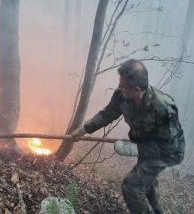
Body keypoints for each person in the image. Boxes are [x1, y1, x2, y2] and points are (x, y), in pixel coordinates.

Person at [71, 59, 185, 214]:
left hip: (168, 152)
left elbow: (168, 148)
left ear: (137, 89)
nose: (119, 88)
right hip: (145, 143)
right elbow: (107, 114)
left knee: (132, 187)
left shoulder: (163, 109)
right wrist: (84, 129)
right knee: (147, 182)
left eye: (124, 86)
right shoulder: (122, 95)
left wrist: (135, 149)